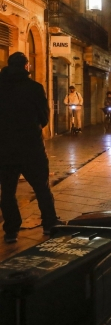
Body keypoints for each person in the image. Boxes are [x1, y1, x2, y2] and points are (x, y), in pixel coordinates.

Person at [0, 52, 62, 243]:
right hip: (31, 147)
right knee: (41, 188)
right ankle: (50, 224)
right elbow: (44, 118)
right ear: (26, 66)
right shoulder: (34, 88)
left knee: (7, 191)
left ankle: (11, 230)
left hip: (5, 148)